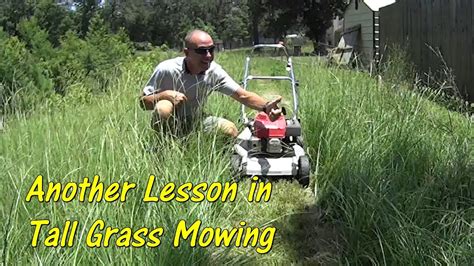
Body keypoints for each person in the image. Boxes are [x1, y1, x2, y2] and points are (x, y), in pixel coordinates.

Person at [139, 29, 282, 137]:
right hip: (170, 123)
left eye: (211, 50)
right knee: (163, 107)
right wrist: (165, 95)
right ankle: (161, 150)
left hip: (196, 121)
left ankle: (231, 166)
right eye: (201, 51)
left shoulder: (214, 72)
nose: (208, 56)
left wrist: (265, 107)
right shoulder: (167, 69)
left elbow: (243, 95)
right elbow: (142, 102)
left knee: (230, 130)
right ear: (187, 52)